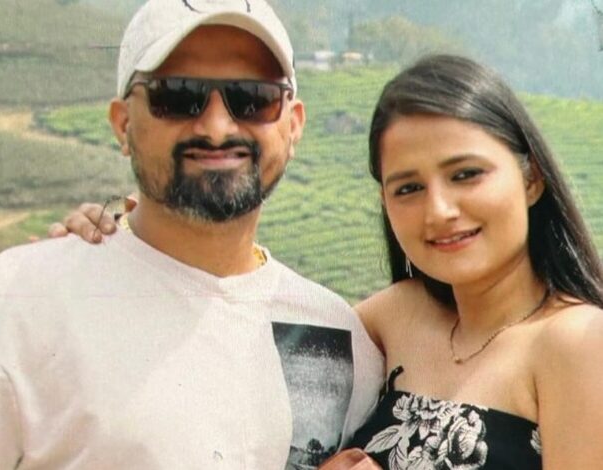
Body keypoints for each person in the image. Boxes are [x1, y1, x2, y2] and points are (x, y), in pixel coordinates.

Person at [61, 54, 603, 469]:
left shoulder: (576, 343)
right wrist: (127, 240)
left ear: (531, 178)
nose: (439, 210)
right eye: (408, 188)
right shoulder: (396, 317)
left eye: (466, 175)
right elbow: (233, 321)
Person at [0, 1, 384, 469]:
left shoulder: (338, 335)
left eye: (252, 98)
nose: (216, 128)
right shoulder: (10, 309)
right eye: (178, 96)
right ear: (123, 123)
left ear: (293, 126)